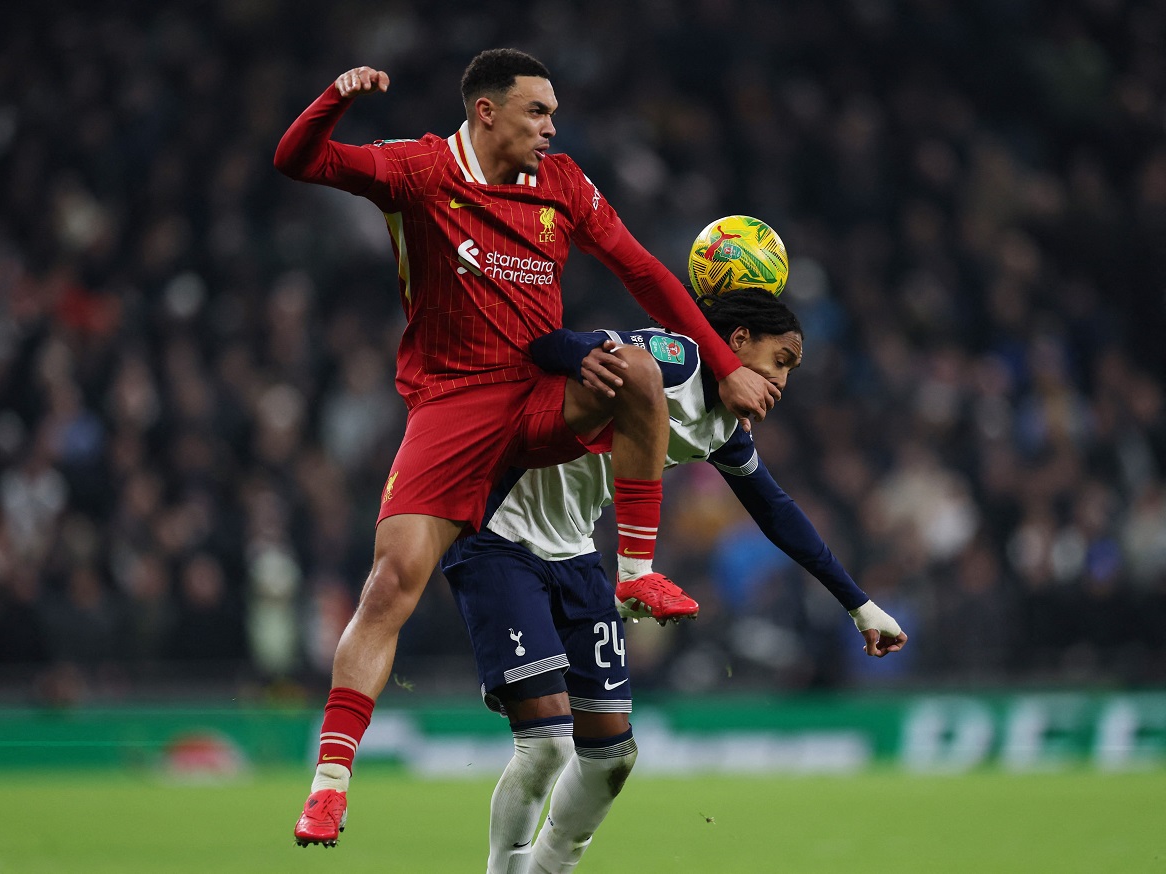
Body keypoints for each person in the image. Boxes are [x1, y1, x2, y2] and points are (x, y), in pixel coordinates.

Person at [274, 49, 780, 846]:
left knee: (641, 374)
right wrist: (335, 97)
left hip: (544, 392)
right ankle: (331, 780)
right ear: (486, 111)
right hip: (451, 404)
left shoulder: (565, 184)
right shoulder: (418, 172)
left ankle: (638, 572)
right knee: (392, 580)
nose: (551, 127)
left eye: (552, 114)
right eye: (537, 112)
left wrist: (723, 364)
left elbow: (645, 271)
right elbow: (297, 159)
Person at [441, 290, 907, 873]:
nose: (783, 382)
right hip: (501, 534)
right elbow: (546, 344)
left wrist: (859, 605)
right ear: (736, 342)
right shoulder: (674, 360)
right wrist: (577, 353)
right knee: (547, 745)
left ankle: (546, 870)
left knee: (612, 755)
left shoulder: (723, 428)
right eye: (780, 360)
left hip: (577, 551)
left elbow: (777, 511)